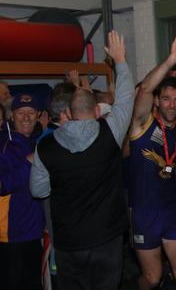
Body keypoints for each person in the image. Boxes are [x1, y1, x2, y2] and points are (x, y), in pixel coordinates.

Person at [30, 30, 134, 290]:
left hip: (69, 244)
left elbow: (38, 189)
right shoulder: (110, 133)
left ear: (69, 112)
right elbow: (125, 99)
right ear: (97, 110)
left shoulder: (46, 146)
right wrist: (120, 60)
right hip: (106, 240)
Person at [128, 29, 176, 290]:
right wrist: (172, 59)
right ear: (157, 101)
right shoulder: (141, 124)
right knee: (153, 278)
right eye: (166, 99)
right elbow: (144, 87)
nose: (172, 105)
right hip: (145, 212)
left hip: (173, 211)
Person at [0, 93, 45, 290]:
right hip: (11, 235)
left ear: (38, 116)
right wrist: (28, 162)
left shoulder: (36, 141)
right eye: (21, 112)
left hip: (35, 232)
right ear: (11, 116)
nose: (26, 117)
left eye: (31, 112)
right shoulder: (3, 144)